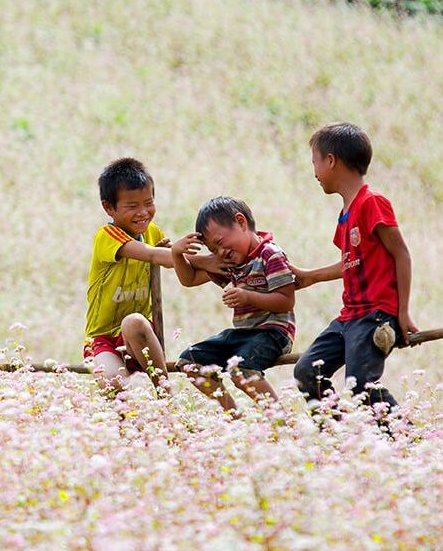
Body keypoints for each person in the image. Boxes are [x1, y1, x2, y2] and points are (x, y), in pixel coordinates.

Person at [290, 122, 419, 413]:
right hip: (349, 317)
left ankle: (405, 441)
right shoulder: (345, 215)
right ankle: (338, 440)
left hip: (375, 315)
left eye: (315, 162)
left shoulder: (372, 203)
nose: (314, 173)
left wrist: (402, 312)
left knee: (360, 385)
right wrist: (310, 277)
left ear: (331, 160)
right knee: (307, 371)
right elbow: (351, 263)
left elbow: (402, 254)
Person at [171, 196, 296, 414]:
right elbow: (189, 280)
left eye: (219, 243)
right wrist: (176, 253)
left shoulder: (270, 254)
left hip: (274, 332)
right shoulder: (233, 262)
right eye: (213, 249)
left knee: (240, 370)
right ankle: (233, 416)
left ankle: (281, 420)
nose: (219, 253)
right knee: (188, 361)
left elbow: (286, 301)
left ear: (241, 222)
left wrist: (248, 297)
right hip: (244, 335)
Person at [83, 157, 178, 394]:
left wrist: (215, 266)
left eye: (148, 203)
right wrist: (176, 253)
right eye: (132, 206)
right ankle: (131, 428)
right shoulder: (107, 236)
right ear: (109, 208)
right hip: (103, 338)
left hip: (138, 336)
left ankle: (166, 398)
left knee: (134, 321)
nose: (143, 213)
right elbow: (155, 255)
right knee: (114, 383)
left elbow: (172, 261)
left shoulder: (152, 232)